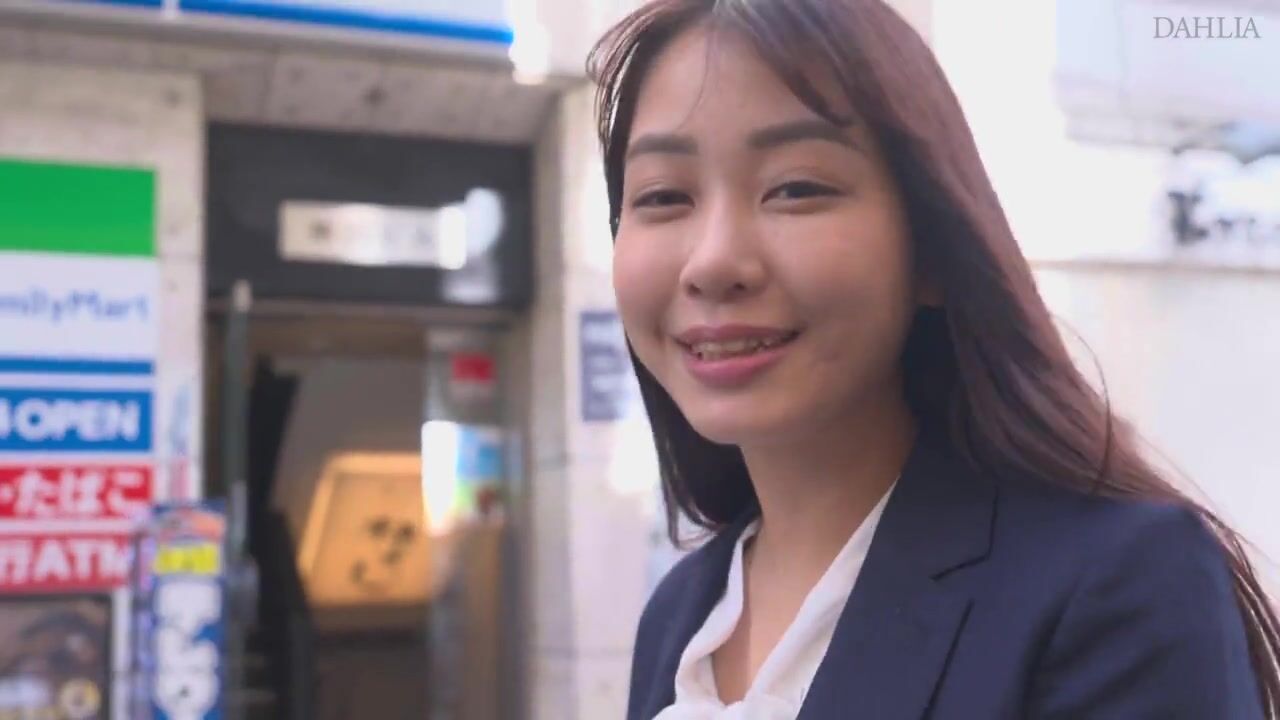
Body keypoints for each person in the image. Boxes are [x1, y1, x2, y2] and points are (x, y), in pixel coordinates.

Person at [588, 1, 1280, 718]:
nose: (713, 263)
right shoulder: (678, 618)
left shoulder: (1117, 586)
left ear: (931, 249)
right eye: (663, 196)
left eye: (796, 188)